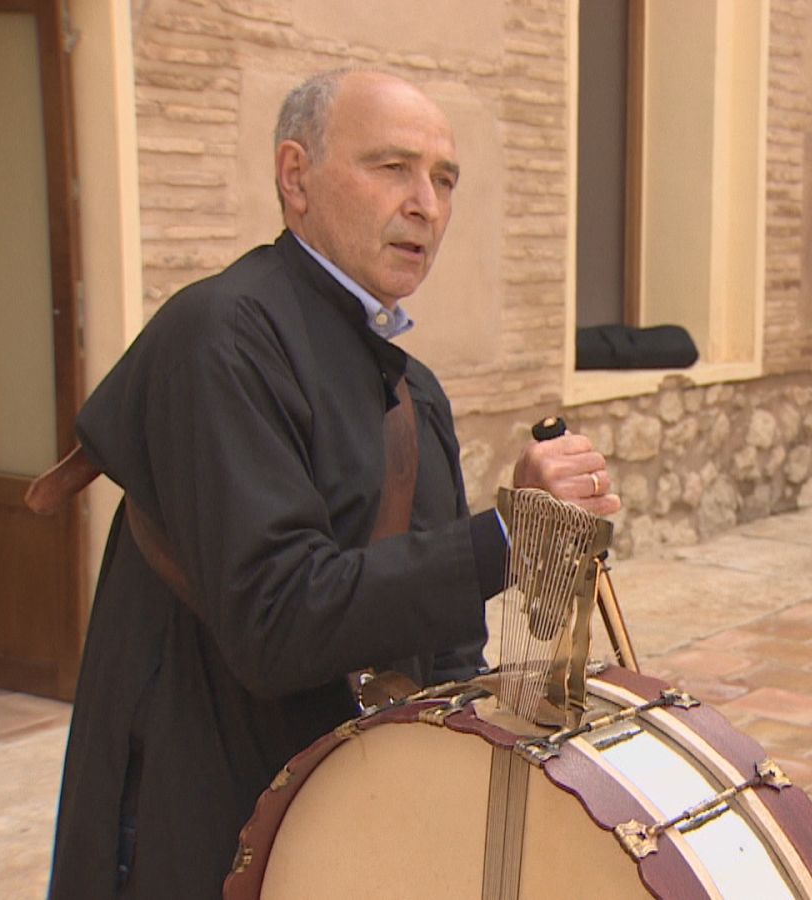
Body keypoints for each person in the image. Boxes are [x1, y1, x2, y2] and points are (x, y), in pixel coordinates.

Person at [45, 69, 621, 898]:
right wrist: (504, 538)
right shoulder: (220, 337)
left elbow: (441, 649)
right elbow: (275, 616)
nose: (426, 203)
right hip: (200, 801)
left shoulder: (411, 387)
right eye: (392, 167)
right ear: (295, 177)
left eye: (444, 178)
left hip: (336, 821)